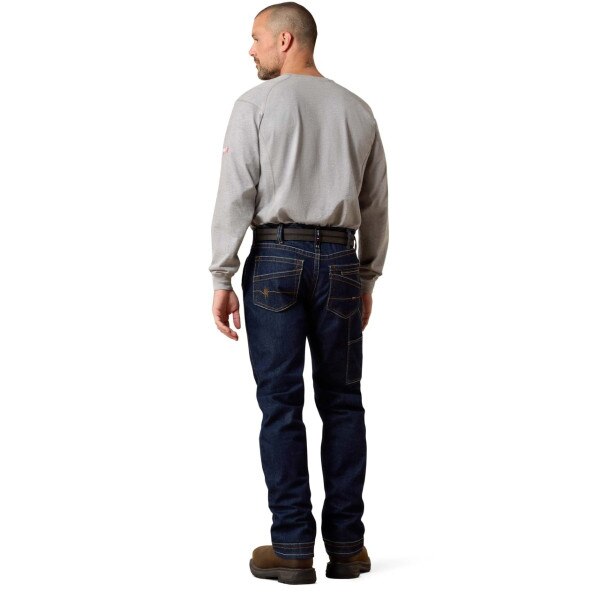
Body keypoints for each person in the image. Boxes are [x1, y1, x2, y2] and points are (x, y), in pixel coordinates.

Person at [209, 1, 388, 585]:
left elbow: (237, 192)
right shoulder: (357, 109)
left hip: (275, 261)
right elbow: (375, 204)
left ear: (286, 40)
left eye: (257, 38)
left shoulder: (255, 105)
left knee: (281, 405)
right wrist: (366, 276)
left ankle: (291, 548)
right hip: (340, 261)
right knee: (343, 403)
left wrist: (221, 275)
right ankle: (348, 547)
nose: (251, 49)